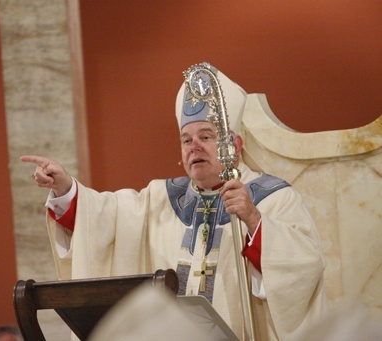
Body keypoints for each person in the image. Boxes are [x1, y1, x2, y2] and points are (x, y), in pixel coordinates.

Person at [21, 64, 326, 340]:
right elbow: (101, 219)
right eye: (186, 139)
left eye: (206, 136)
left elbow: (304, 269)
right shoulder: (160, 198)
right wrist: (64, 189)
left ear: (235, 145)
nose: (194, 147)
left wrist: (254, 221)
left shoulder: (274, 197)